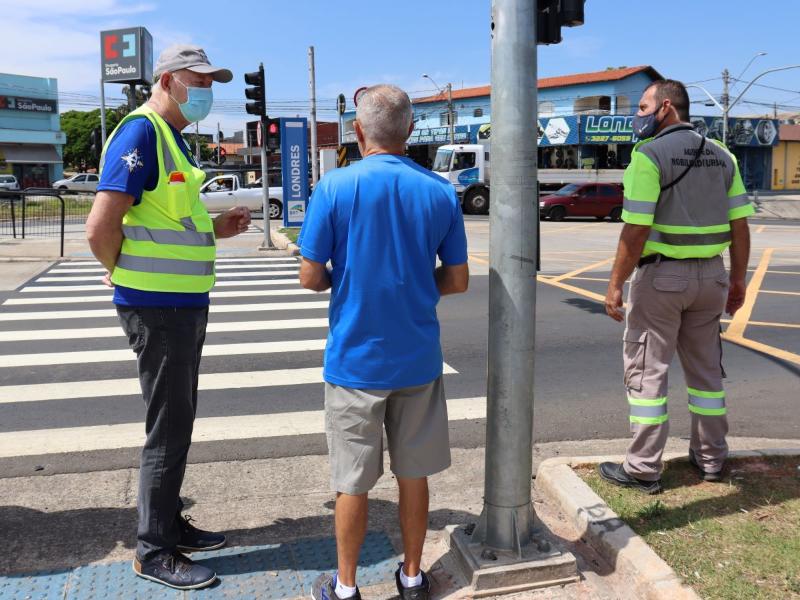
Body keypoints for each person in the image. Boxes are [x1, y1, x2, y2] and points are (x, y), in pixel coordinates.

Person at [86, 44, 251, 589]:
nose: (205, 89)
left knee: (178, 420)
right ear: (167, 80)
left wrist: (215, 229)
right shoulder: (140, 133)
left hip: (180, 304)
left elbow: (168, 218)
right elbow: (100, 225)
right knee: (169, 425)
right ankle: (153, 550)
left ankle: (170, 524)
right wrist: (120, 270)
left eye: (211, 80)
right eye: (197, 79)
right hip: (156, 307)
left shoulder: (173, 138)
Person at [298, 84, 469, 600]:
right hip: (417, 360)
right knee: (413, 476)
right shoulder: (439, 191)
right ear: (411, 130)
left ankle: (346, 587)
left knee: (352, 480)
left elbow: (309, 277)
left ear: (358, 130)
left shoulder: (334, 188)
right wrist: (419, 286)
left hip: (354, 362)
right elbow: (457, 280)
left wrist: (343, 280)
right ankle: (412, 578)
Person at [600, 79, 753, 494]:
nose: (639, 114)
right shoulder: (723, 156)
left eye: (644, 106)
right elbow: (740, 227)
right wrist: (738, 280)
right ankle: (711, 460)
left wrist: (615, 285)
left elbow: (635, 231)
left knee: (648, 372)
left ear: (666, 107)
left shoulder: (648, 156)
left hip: (662, 279)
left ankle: (643, 467)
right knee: (707, 374)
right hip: (712, 278)